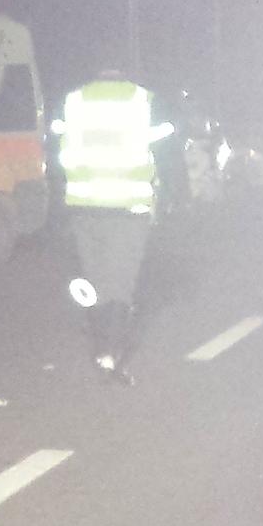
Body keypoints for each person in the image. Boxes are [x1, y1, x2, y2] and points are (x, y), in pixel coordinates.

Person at [55, 70, 174, 381]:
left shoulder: (74, 100)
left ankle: (99, 343)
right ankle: (111, 352)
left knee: (95, 279)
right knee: (119, 282)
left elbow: (59, 148)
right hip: (127, 208)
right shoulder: (141, 99)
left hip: (84, 207)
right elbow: (165, 146)